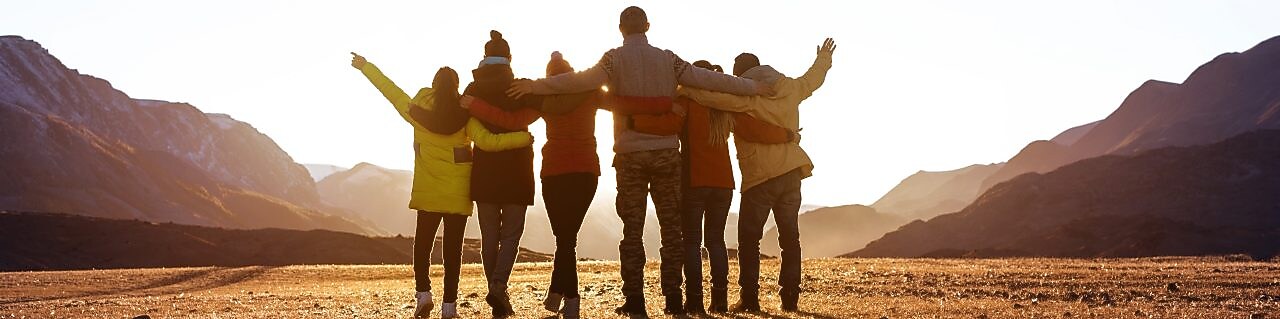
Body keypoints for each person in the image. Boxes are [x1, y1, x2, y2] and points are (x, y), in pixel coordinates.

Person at [507, 6, 773, 316]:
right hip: (665, 154)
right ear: (647, 26)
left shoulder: (613, 59)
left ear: (620, 29)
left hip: (630, 155)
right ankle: (674, 301)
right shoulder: (668, 58)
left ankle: (635, 302)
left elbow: (577, 82)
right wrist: (754, 87)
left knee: (631, 231)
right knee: (672, 230)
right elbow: (709, 81)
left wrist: (535, 85)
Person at [349, 53, 534, 319]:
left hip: (428, 193)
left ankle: (423, 295)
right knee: (452, 253)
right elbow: (489, 142)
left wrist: (366, 66)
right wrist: (522, 138)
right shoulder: (466, 118)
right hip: (457, 195)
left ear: (434, 86)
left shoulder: (416, 111)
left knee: (423, 246)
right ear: (456, 87)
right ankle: (450, 307)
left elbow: (389, 89)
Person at [677, 38, 837, 312]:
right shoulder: (790, 88)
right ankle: (789, 300)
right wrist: (824, 58)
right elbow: (813, 79)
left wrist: (685, 87)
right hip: (790, 172)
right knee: (790, 239)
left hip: (760, 177)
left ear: (739, 75)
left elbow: (714, 97)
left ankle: (749, 299)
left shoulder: (744, 95)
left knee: (749, 240)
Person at [461, 51, 600, 319]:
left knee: (558, 239)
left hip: (552, 173)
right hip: (581, 172)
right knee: (562, 239)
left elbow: (508, 121)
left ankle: (557, 295)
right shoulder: (586, 93)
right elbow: (620, 101)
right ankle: (557, 296)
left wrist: (474, 106)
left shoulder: (540, 97)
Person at [677, 60, 796, 314]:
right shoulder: (726, 109)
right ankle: (719, 301)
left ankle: (695, 300)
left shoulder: (687, 102)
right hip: (723, 184)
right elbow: (756, 130)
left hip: (694, 180)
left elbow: (669, 125)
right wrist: (787, 135)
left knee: (692, 242)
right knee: (716, 242)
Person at [463, 30, 543, 318]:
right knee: (510, 235)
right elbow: (538, 110)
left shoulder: (472, 90)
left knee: (489, 237)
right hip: (518, 170)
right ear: (509, 58)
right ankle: (498, 286)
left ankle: (496, 288)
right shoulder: (520, 88)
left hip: (484, 172)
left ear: (484, 59)